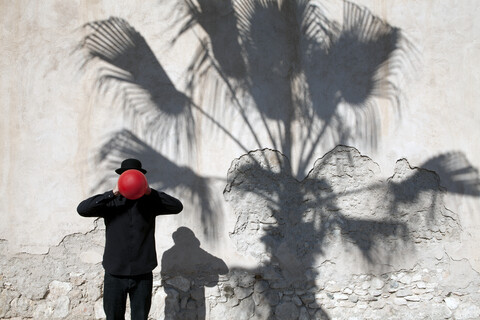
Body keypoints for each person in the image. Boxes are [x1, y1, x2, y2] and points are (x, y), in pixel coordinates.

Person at [77, 158, 183, 320]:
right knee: (113, 317)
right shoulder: (111, 203)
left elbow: (177, 206)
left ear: (141, 177)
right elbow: (82, 209)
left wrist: (150, 192)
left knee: (140, 317)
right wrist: (111, 193)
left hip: (142, 273)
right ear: (121, 178)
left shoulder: (150, 203)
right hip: (115, 273)